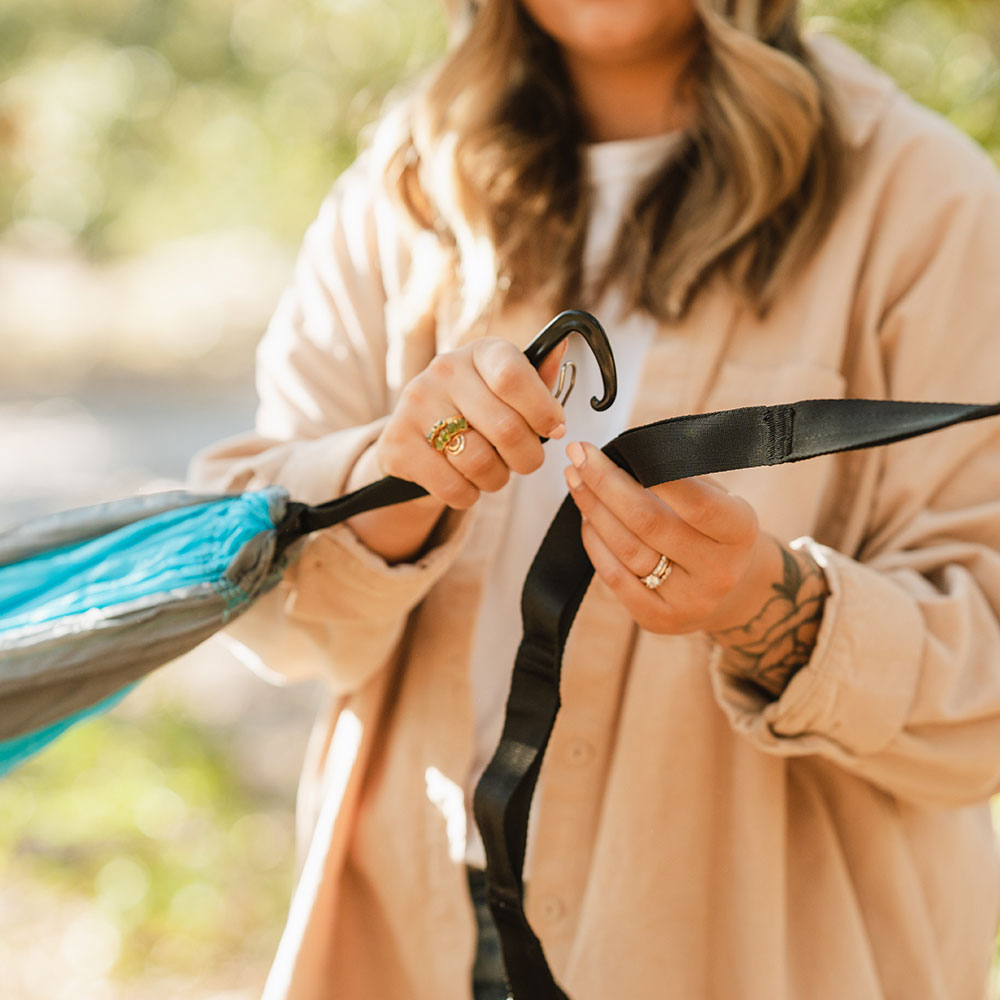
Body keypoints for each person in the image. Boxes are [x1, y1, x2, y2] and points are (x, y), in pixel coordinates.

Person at [191, 1, 1000, 997]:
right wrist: (392, 483)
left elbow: (984, 700)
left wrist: (766, 607)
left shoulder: (929, 203)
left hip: (763, 958)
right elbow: (248, 596)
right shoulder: (403, 188)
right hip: (412, 939)